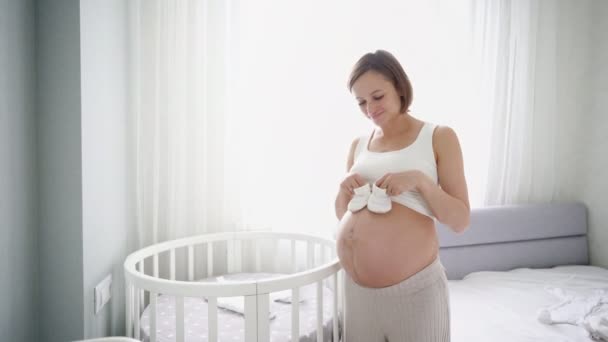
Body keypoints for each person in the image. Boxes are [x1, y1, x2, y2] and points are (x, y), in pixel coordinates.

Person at [335, 50, 471, 342]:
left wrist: (420, 182)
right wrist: (343, 190)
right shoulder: (358, 145)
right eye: (361, 102)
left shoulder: (438, 136)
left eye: (377, 96)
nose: (370, 108)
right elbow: (343, 216)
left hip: (414, 293)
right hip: (357, 293)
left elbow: (460, 221)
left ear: (398, 86)